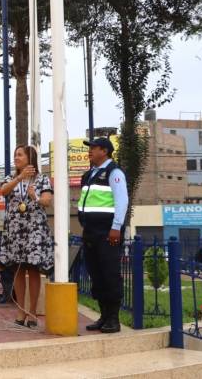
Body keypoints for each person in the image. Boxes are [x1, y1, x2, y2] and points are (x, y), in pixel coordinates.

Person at [0, 145, 54, 328]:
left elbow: (47, 201)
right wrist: (19, 178)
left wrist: (35, 196)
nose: (16, 157)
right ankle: (20, 310)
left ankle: (32, 312)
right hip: (15, 230)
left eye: (20, 155)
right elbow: (3, 191)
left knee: (33, 270)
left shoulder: (42, 179)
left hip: (34, 230)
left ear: (30, 157)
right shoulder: (10, 178)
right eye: (15, 154)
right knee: (18, 270)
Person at [78, 137, 128, 333]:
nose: (90, 151)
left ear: (105, 151)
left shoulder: (114, 172)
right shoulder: (89, 174)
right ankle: (103, 316)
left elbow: (121, 201)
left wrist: (116, 227)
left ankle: (113, 319)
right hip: (90, 232)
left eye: (93, 148)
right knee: (96, 275)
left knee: (109, 274)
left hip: (108, 233)